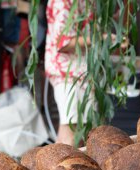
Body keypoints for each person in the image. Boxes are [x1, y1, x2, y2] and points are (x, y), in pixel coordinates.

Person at [45, 0, 92, 146]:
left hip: (83, 72)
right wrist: (101, 39)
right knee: (70, 132)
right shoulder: (63, 2)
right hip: (67, 73)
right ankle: (60, 167)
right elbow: (63, 43)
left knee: (82, 134)